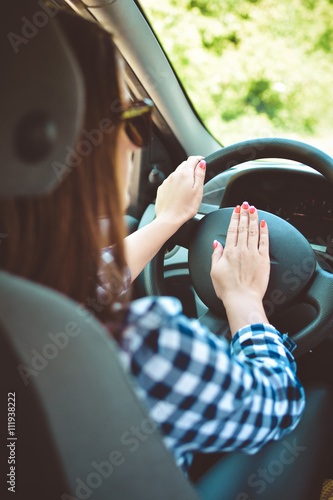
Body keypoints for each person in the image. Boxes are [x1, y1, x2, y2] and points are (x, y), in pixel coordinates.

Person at [0, 11, 305, 475]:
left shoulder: (20, 293)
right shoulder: (141, 344)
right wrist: (245, 303)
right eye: (134, 118)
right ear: (62, 142)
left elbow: (74, 288)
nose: (136, 142)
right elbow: (276, 406)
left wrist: (167, 222)